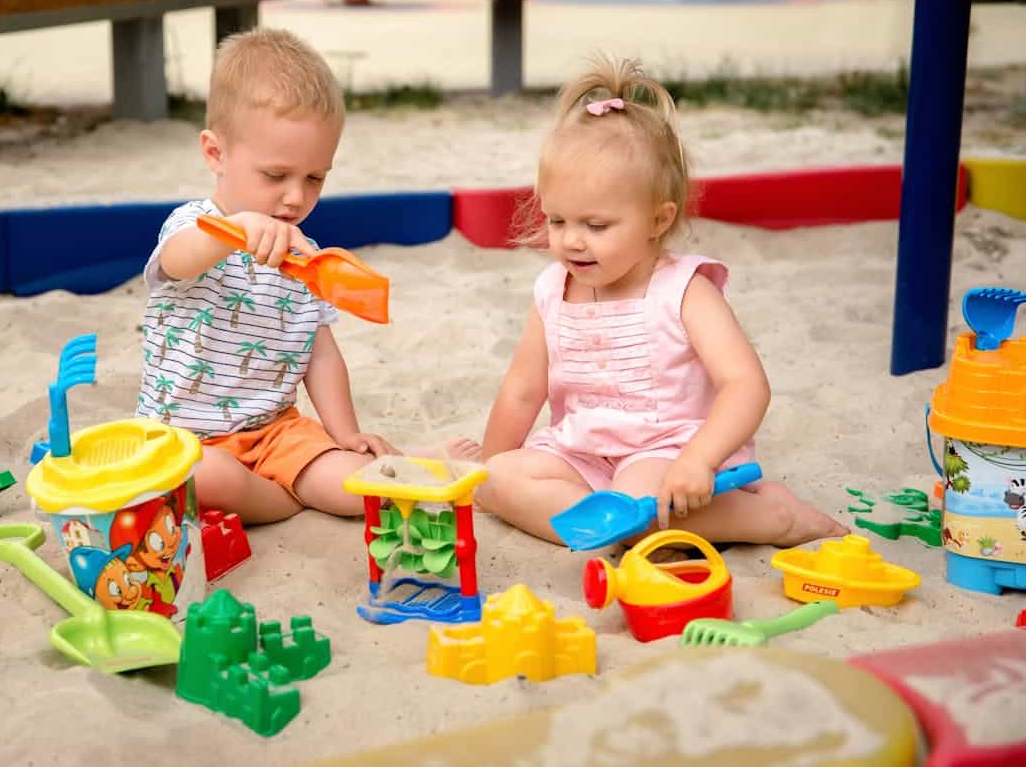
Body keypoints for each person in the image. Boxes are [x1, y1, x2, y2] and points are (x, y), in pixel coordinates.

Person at [469, 55, 848, 549]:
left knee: (637, 512)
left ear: (658, 219)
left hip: (666, 453)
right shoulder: (552, 290)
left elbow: (744, 385)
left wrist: (700, 459)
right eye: (557, 221)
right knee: (499, 480)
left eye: (596, 226)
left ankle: (770, 516)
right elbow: (522, 390)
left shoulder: (684, 290)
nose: (572, 242)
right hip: (580, 452)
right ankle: (612, 521)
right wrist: (483, 473)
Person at [137, 28, 416, 525]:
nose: (295, 197)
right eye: (275, 175)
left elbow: (321, 352)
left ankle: (287, 488)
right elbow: (177, 262)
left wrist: (344, 432)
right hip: (190, 438)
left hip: (278, 433)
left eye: (314, 178)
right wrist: (234, 232)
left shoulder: (303, 252)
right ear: (215, 154)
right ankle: (279, 502)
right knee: (205, 477)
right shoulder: (194, 225)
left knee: (358, 490)